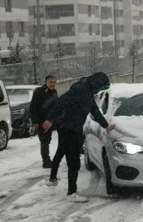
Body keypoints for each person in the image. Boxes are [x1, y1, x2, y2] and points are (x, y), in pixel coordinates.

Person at [42, 72, 116, 203]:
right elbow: (61, 101)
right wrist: (50, 119)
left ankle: (56, 181)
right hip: (68, 128)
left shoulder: (88, 92)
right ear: (95, 83)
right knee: (73, 161)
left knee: (68, 157)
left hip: (73, 128)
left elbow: (94, 111)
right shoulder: (80, 90)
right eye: (100, 87)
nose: (99, 90)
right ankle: (71, 192)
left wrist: (106, 125)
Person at [30, 75, 58, 168]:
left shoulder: (54, 93)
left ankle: (47, 159)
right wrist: (35, 121)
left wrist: (52, 120)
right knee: (44, 141)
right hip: (41, 121)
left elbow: (55, 107)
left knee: (47, 140)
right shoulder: (39, 92)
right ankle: (46, 161)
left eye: (54, 82)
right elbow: (33, 107)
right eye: (50, 82)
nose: (52, 84)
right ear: (46, 82)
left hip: (50, 121)